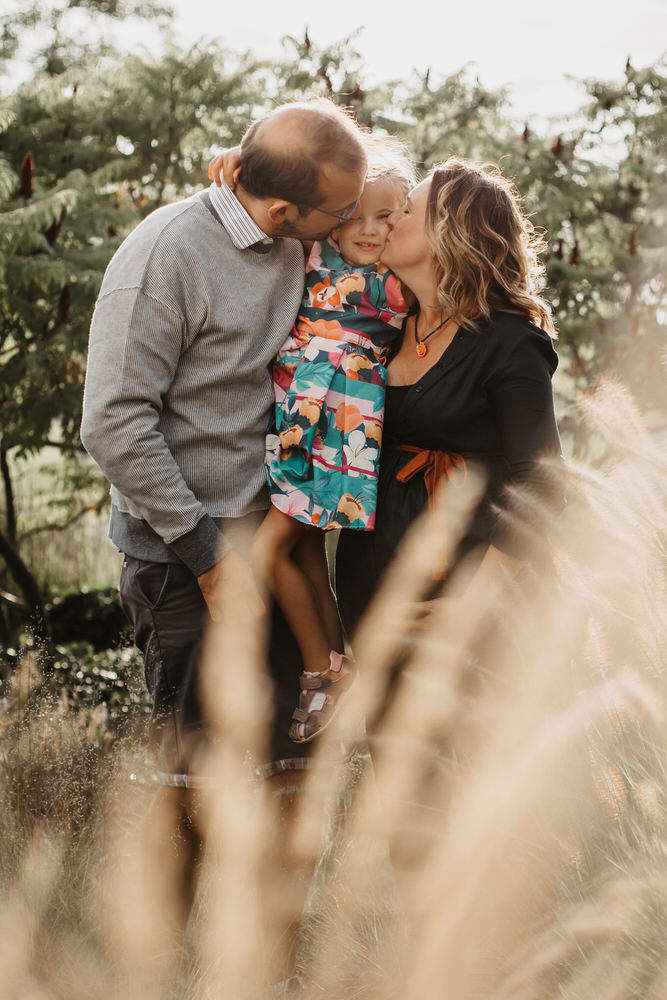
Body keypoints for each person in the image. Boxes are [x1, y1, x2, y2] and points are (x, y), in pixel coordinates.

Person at [80, 98, 368, 989]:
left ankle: (267, 971)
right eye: (338, 214)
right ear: (283, 210)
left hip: (275, 552)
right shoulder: (167, 256)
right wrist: (206, 559)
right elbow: (114, 426)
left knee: (287, 772)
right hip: (183, 558)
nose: (349, 225)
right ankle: (157, 970)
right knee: (193, 783)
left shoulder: (294, 241)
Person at [335, 155, 563, 645]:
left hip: (466, 609)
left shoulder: (508, 342)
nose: (390, 220)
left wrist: (475, 603)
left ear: (448, 232)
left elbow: (542, 484)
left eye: (407, 211)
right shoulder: (382, 328)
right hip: (373, 596)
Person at [250, 148, 414, 745]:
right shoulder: (311, 254)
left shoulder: (398, 285)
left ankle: (322, 671)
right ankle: (337, 662)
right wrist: (233, 162)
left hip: (340, 428)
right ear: (336, 218)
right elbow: (283, 200)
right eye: (358, 217)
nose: (372, 230)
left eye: (388, 217)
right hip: (298, 419)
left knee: (268, 552)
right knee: (306, 551)